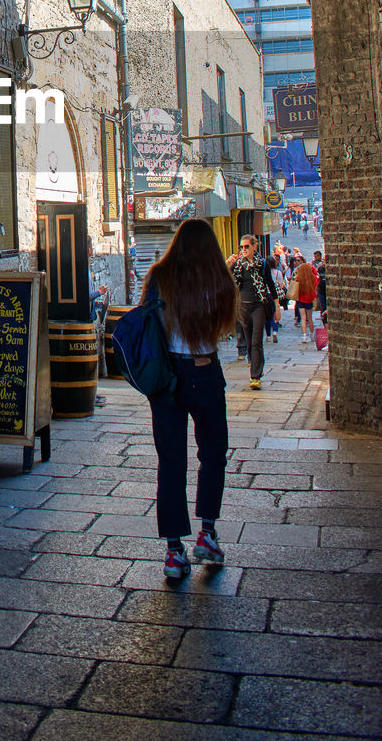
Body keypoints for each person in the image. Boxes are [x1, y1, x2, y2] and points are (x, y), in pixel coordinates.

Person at [141, 219, 237, 580]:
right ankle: (207, 534)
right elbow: (222, 326)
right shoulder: (216, 277)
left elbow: (148, 322)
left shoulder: (159, 275)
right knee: (213, 454)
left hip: (166, 377)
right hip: (204, 370)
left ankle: (172, 551)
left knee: (170, 461)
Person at [227, 235, 278, 389]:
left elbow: (270, 283)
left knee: (256, 341)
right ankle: (254, 365)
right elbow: (224, 280)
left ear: (254, 247)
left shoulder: (262, 264)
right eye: (242, 247)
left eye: (247, 247)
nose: (244, 250)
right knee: (249, 342)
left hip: (259, 306)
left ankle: (255, 376)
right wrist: (228, 264)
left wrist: (276, 306)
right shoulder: (238, 265)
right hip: (243, 307)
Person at [294, 260, 318, 343]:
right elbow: (317, 275)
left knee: (303, 318)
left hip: (300, 300)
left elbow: (294, 280)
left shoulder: (298, 279)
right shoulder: (313, 279)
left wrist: (297, 271)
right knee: (310, 318)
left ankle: (304, 336)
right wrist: (312, 268)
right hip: (309, 299)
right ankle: (311, 335)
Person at [266, 254, 286, 342]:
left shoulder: (264, 273)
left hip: (266, 294)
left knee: (267, 316)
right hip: (275, 295)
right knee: (275, 313)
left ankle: (268, 336)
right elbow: (282, 285)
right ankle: (274, 332)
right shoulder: (278, 272)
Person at [314, 250, 327, 325]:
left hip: (328, 291)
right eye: (323, 260)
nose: (324, 261)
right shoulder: (320, 268)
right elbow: (317, 279)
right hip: (321, 290)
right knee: (323, 306)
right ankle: (324, 321)